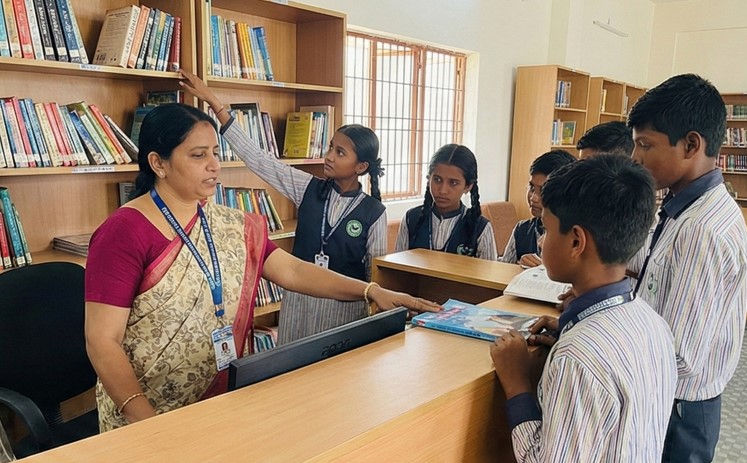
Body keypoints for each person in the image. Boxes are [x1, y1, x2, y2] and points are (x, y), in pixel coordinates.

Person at [84, 103, 440, 432]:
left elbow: (295, 271)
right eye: (198, 155)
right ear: (158, 163)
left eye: (215, 153)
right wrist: (143, 418)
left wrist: (372, 290)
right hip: (149, 415)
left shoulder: (229, 224)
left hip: (222, 401)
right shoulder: (123, 232)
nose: (214, 165)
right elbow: (102, 340)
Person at [490, 154, 678, 462]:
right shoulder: (652, 321)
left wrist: (517, 383)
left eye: (547, 230)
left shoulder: (577, 357)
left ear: (577, 242)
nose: (540, 243)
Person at [178, 70, 387, 345]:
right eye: (330, 147)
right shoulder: (308, 187)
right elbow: (258, 159)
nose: (329, 156)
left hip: (345, 306)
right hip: (299, 302)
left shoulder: (374, 212)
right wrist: (215, 104)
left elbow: (377, 275)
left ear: (361, 167)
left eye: (340, 152)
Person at [627, 73, 747, 462]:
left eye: (645, 145)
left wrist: (603, 342)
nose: (635, 158)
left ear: (691, 145)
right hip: (669, 396)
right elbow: (651, 269)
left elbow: (678, 355)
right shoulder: (682, 207)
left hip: (679, 410)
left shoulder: (702, 230)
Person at [394, 144, 497, 260]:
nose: (442, 190)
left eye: (453, 183)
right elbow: (396, 268)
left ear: (468, 186)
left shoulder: (481, 228)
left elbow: (488, 276)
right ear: (429, 179)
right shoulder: (411, 219)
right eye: (437, 180)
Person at [500, 150, 575, 266]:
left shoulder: (575, 236)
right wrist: (518, 266)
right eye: (531, 188)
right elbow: (502, 271)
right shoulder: (522, 230)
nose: (534, 198)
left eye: (543, 190)